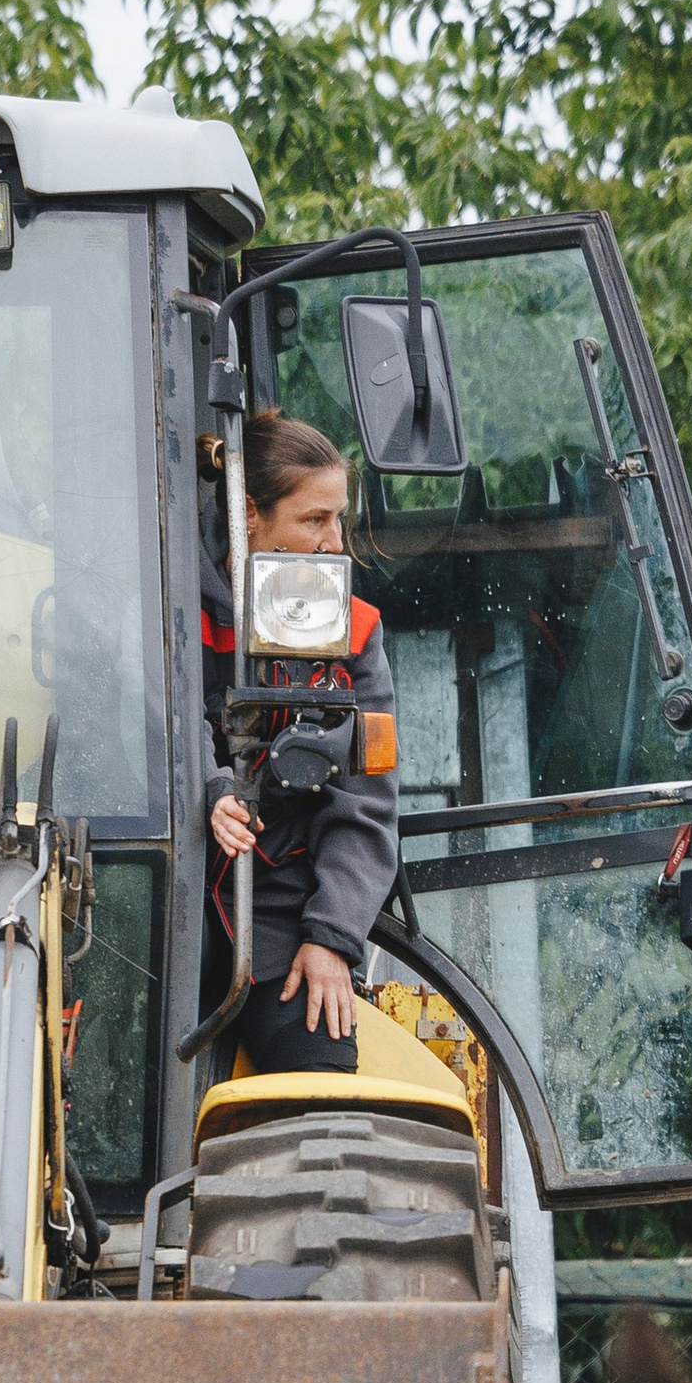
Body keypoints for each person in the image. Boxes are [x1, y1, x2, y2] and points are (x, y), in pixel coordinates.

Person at [199, 414, 397, 1074]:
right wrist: (210, 787)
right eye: (315, 520)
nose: (336, 543)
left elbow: (366, 802)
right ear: (249, 514)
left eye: (339, 519)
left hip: (286, 914)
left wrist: (333, 937)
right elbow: (138, 729)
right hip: (174, 899)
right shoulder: (168, 614)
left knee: (327, 1080)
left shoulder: (356, 634)